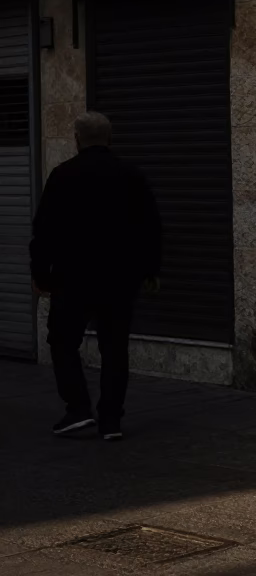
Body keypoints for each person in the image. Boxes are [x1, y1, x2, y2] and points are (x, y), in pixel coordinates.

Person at [31, 111, 161, 441]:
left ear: (76, 139)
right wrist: (151, 269)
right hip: (120, 279)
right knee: (114, 348)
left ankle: (77, 409)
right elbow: (150, 226)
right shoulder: (131, 175)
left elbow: (44, 229)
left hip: (73, 278)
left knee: (62, 341)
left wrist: (40, 274)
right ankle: (111, 421)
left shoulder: (63, 175)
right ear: (110, 138)